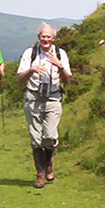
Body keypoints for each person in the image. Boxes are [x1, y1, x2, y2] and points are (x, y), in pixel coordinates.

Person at [15, 23, 71, 189]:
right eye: (43, 36)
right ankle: (40, 173)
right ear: (38, 37)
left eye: (49, 37)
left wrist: (59, 66)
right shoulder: (30, 53)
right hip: (33, 98)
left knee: (50, 136)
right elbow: (19, 78)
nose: (45, 39)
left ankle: (48, 162)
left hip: (53, 98)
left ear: (53, 39)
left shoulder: (60, 54)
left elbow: (68, 81)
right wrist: (31, 70)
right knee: (36, 138)